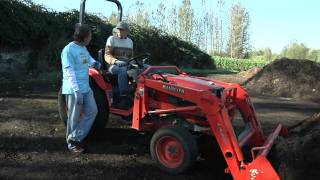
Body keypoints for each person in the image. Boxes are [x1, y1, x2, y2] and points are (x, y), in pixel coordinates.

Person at [61, 23, 101, 153]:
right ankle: (72, 144)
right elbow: (69, 71)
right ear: (82, 37)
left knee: (92, 111)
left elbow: (88, 59)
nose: (90, 39)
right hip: (74, 89)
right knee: (73, 117)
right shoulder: (68, 50)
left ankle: (75, 136)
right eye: (89, 37)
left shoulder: (83, 48)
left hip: (86, 87)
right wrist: (76, 91)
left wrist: (96, 64)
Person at [104, 21, 133, 108]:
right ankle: (123, 97)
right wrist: (116, 61)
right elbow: (107, 55)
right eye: (118, 30)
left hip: (126, 64)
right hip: (113, 65)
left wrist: (134, 63)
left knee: (145, 69)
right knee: (122, 70)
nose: (119, 32)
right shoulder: (111, 39)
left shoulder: (130, 41)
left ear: (127, 31)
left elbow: (131, 57)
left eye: (122, 30)